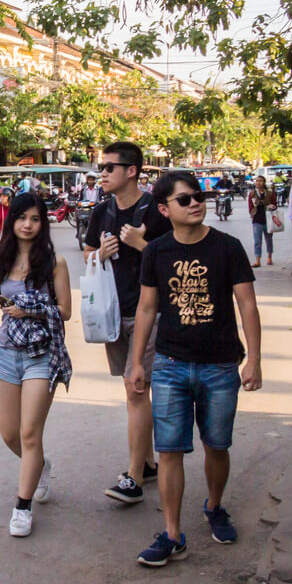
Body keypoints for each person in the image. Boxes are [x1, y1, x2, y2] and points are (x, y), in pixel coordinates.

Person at [129, 171, 262, 567]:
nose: (195, 204)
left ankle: (214, 506)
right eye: (184, 199)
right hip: (170, 364)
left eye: (198, 197)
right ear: (164, 209)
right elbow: (147, 308)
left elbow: (247, 304)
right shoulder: (156, 252)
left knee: (217, 445)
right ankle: (172, 534)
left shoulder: (227, 247)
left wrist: (254, 359)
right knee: (168, 450)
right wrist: (136, 363)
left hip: (220, 365)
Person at [0, 192, 72, 537]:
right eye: (21, 218)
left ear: (43, 223)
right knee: (9, 434)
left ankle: (22, 506)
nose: (28, 225)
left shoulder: (55, 263)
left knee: (30, 433)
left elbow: (65, 311)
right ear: (12, 221)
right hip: (6, 354)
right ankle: (40, 465)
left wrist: (31, 309)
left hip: (41, 355)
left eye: (35, 219)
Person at [84, 141, 172, 505]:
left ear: (132, 171)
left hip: (148, 312)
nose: (102, 174)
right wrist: (99, 254)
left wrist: (141, 244)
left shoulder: (156, 211)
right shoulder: (101, 211)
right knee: (133, 390)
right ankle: (147, 463)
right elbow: (88, 253)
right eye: (101, 168)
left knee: (136, 390)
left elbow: (173, 260)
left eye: (109, 167)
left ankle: (134, 477)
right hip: (112, 313)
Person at [247, 177, 278, 267]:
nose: (258, 182)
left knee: (269, 240)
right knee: (257, 241)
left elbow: (275, 205)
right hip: (257, 220)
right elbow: (250, 207)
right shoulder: (252, 194)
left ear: (264, 182)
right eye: (257, 181)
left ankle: (269, 257)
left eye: (260, 181)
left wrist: (272, 206)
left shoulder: (269, 193)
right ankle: (258, 260)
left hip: (268, 220)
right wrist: (252, 213)